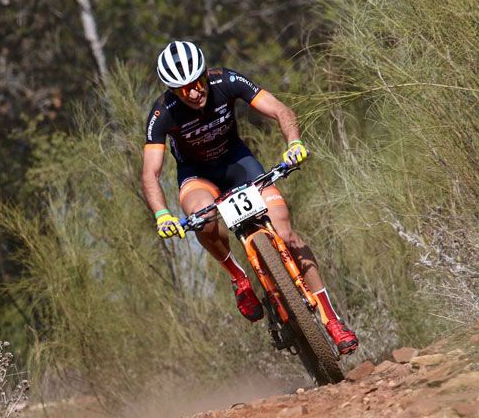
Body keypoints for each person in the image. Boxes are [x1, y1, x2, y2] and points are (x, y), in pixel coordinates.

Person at [140, 40, 359, 354]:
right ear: (172, 91)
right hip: (197, 176)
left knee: (285, 232)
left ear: (205, 73)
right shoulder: (162, 113)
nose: (193, 92)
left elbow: (280, 110)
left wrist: (294, 142)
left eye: (197, 81)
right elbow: (150, 173)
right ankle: (239, 278)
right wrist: (162, 214)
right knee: (202, 217)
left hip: (238, 164)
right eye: (182, 88)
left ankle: (332, 321)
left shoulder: (226, 81)